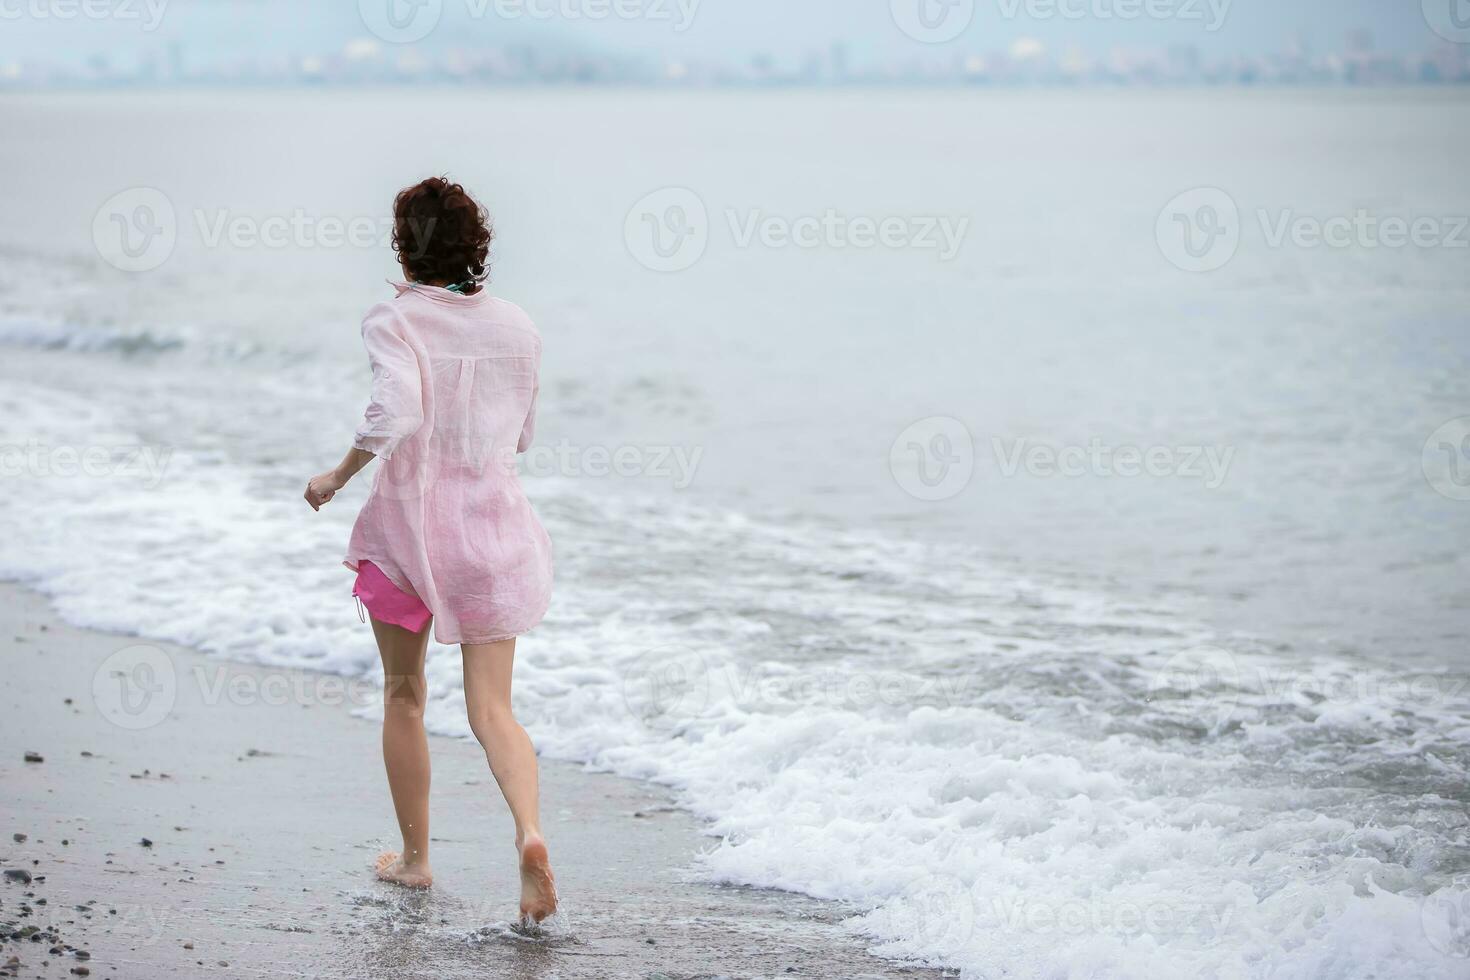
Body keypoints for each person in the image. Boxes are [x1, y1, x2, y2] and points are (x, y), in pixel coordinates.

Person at [303, 176, 557, 924]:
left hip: (407, 537)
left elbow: (398, 408)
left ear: (400, 246)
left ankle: (415, 860)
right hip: (493, 536)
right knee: (493, 709)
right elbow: (523, 436)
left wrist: (339, 473)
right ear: (474, 245)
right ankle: (530, 833)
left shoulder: (395, 317)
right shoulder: (518, 326)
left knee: (405, 695)